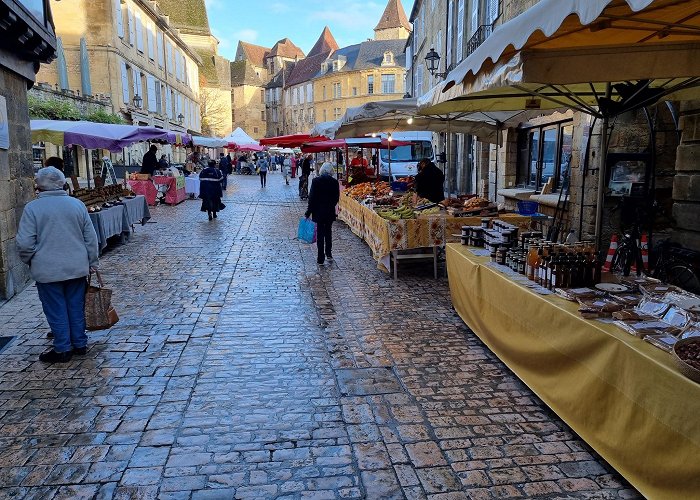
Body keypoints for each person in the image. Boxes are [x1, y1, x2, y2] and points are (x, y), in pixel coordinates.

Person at [16, 167, 99, 363]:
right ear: (62, 183)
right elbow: (90, 237)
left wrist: (30, 259)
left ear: (39, 185)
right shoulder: (76, 205)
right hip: (76, 266)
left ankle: (62, 347)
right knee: (75, 306)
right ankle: (79, 343)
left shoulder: (33, 208)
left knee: (55, 307)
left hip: (47, 268)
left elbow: (25, 243)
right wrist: (92, 261)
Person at [305, 163, 340, 265]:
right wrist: (330, 205)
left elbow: (312, 198)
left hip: (318, 212)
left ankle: (320, 258)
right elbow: (336, 198)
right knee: (328, 232)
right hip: (329, 211)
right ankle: (329, 254)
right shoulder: (334, 182)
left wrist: (308, 212)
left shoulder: (316, 181)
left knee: (320, 234)